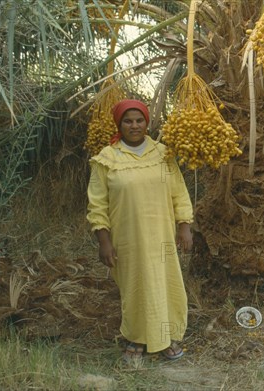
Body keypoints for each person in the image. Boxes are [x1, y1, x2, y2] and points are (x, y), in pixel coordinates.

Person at [86, 99, 193, 363]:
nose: (134, 126)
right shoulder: (107, 159)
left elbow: (179, 193)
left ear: (147, 122)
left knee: (165, 284)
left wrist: (185, 227)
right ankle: (136, 339)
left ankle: (166, 339)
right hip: (127, 238)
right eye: (128, 121)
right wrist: (104, 241)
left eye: (139, 120)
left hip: (163, 237)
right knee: (134, 287)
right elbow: (97, 204)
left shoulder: (163, 154)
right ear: (119, 124)